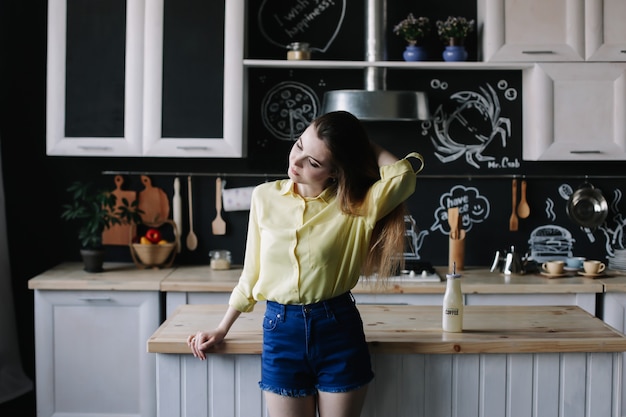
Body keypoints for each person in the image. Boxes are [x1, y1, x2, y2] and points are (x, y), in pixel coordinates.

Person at [188, 110, 423, 417]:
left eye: (313, 162)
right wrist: (222, 328)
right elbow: (252, 273)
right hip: (280, 330)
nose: (295, 163)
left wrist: (360, 143)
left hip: (338, 328)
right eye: (299, 145)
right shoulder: (264, 197)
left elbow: (403, 177)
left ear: (336, 171)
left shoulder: (357, 206)